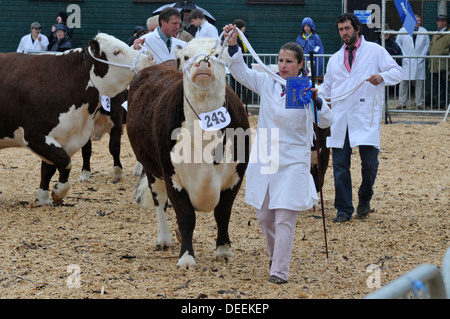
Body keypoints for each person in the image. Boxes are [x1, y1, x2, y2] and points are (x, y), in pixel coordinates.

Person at [223, 24, 333, 284]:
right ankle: (275, 256)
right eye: (280, 60)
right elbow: (240, 72)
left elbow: (327, 120)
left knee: (285, 217)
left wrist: (316, 101)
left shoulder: (307, 89)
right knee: (264, 216)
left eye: (289, 61)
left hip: (294, 158)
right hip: (266, 154)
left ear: (300, 64)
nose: (283, 65)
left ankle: (279, 271)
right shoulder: (268, 81)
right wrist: (232, 44)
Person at [319, 13, 403, 223]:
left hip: (365, 116)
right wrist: (316, 92)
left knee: (370, 165)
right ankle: (344, 209)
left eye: (347, 28)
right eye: (341, 30)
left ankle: (365, 196)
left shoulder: (375, 51)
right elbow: (327, 88)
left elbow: (398, 72)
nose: (344, 33)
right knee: (340, 166)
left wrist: (382, 76)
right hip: (340, 119)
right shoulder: (334, 59)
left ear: (357, 28)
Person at [395, 15, 430, 110]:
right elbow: (398, 43)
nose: (419, 22)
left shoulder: (424, 31)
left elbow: (427, 44)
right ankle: (402, 102)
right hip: (406, 60)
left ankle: (419, 102)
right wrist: (404, 55)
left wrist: (422, 56)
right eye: (417, 21)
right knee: (404, 82)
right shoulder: (403, 30)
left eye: (419, 20)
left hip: (419, 60)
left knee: (419, 82)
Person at [428, 14, 450, 109]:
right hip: (435, 64)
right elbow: (432, 46)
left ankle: (446, 103)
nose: (437, 23)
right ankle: (438, 103)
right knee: (436, 85)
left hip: (444, 64)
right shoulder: (436, 33)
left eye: (439, 21)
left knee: (446, 85)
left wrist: (445, 53)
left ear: (444, 22)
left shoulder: (448, 34)